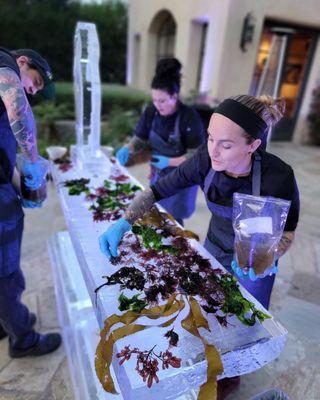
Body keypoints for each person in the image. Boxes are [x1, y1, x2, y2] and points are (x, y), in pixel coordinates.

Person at [100, 94, 299, 399]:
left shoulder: (278, 176)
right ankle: (208, 365)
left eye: (226, 144)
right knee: (208, 309)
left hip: (257, 261)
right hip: (215, 245)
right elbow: (157, 190)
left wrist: (268, 258)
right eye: (210, 138)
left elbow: (287, 231)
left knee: (244, 323)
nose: (213, 150)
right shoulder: (206, 162)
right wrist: (125, 221)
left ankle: (233, 376)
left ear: (252, 145)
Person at [0, 47, 61, 357]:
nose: (32, 91)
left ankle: (6, 320)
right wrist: (34, 161)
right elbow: (18, 108)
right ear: (22, 62)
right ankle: (23, 339)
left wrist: (21, 185)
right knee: (4, 271)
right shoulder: (4, 63)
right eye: (34, 82)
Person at [116, 58, 205, 226]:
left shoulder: (189, 118)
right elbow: (140, 138)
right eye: (155, 100)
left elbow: (197, 155)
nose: (158, 105)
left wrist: (170, 161)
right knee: (156, 212)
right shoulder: (151, 112)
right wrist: (128, 148)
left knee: (174, 221)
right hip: (158, 173)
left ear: (175, 96)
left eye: (162, 101)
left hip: (182, 177)